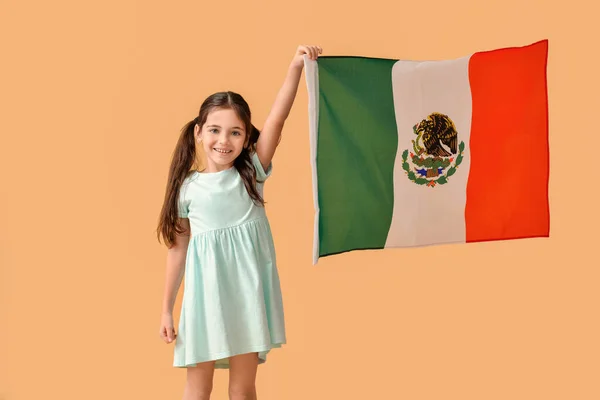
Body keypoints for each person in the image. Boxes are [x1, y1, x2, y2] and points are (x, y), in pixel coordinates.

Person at [156, 44, 323, 400]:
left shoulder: (251, 173)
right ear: (199, 132)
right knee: (197, 386)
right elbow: (177, 250)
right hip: (203, 299)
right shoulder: (187, 189)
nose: (224, 140)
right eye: (215, 130)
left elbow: (277, 119)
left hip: (247, 296)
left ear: (247, 137)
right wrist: (167, 310)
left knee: (243, 387)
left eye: (235, 132)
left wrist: (295, 67)